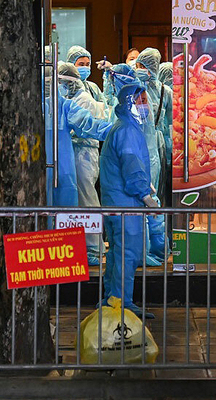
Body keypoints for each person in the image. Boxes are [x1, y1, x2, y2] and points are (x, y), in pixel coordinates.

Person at [100, 84, 158, 319]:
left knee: (116, 252)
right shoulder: (128, 131)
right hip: (126, 203)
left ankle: (112, 300)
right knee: (127, 253)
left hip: (116, 202)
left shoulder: (124, 127)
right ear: (129, 104)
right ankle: (121, 304)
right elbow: (132, 166)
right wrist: (145, 195)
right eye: (141, 101)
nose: (146, 105)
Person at [59, 62, 110, 265]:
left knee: (87, 200)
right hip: (78, 154)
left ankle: (94, 248)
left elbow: (84, 127)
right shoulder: (71, 99)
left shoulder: (83, 99)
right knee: (81, 201)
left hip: (85, 154)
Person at [47, 71, 112, 207]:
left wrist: (114, 131)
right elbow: (91, 126)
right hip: (63, 169)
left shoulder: (62, 106)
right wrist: (116, 131)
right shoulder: (61, 105)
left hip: (62, 170)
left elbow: (90, 124)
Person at [135, 48, 172, 262]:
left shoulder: (164, 91)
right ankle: (151, 246)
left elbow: (171, 122)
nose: (139, 70)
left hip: (155, 146)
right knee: (147, 194)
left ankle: (155, 246)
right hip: (147, 144)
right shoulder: (138, 89)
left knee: (152, 193)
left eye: (142, 66)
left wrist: (169, 146)